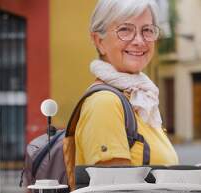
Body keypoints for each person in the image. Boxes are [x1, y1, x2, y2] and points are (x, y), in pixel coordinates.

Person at [75, 0, 179, 166]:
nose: (139, 40)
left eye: (147, 30)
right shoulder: (105, 103)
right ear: (99, 41)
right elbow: (115, 190)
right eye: (125, 30)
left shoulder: (140, 99)